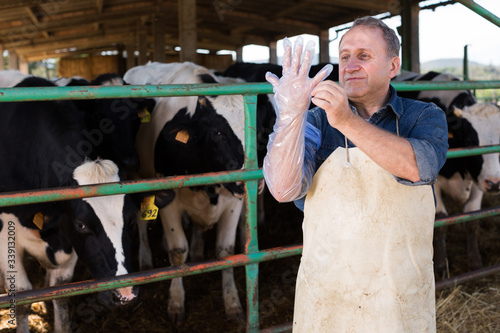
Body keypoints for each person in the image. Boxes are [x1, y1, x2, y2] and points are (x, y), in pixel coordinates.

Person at [263, 16, 449, 332]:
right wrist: (290, 118)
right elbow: (283, 189)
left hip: (399, 289)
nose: (349, 65)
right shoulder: (316, 122)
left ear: (393, 66)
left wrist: (346, 120)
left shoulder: (424, 116)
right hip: (328, 290)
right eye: (345, 56)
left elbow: (420, 167)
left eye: (363, 56)